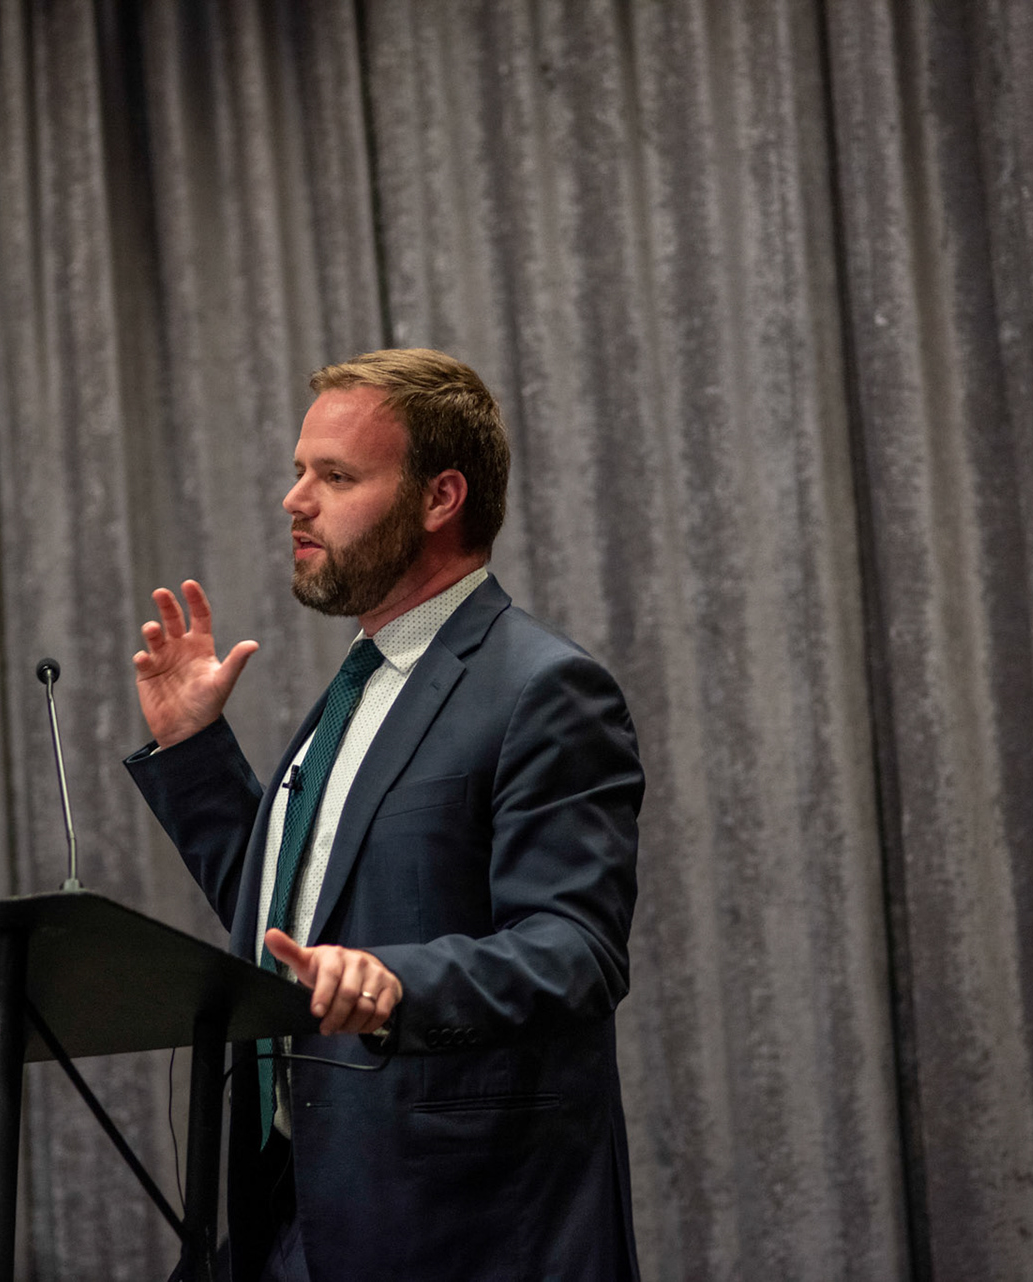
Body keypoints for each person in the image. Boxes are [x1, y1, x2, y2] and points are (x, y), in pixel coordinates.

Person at [125, 348, 642, 1281]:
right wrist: (195, 753)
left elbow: (578, 951)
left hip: (452, 1223)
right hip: (291, 1204)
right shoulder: (357, 690)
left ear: (441, 497)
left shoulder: (543, 689)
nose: (295, 501)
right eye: (298, 472)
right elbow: (294, 930)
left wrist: (397, 983)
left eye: (335, 476)